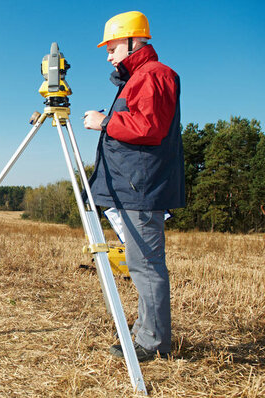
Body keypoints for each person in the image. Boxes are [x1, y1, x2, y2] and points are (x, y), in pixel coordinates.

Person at [83, 11, 185, 361]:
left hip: (141, 188)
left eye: (111, 47)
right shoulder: (138, 78)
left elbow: (149, 128)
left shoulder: (155, 75)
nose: (108, 55)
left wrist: (105, 122)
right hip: (133, 187)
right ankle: (147, 332)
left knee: (146, 265)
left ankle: (152, 343)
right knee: (141, 264)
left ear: (132, 41)